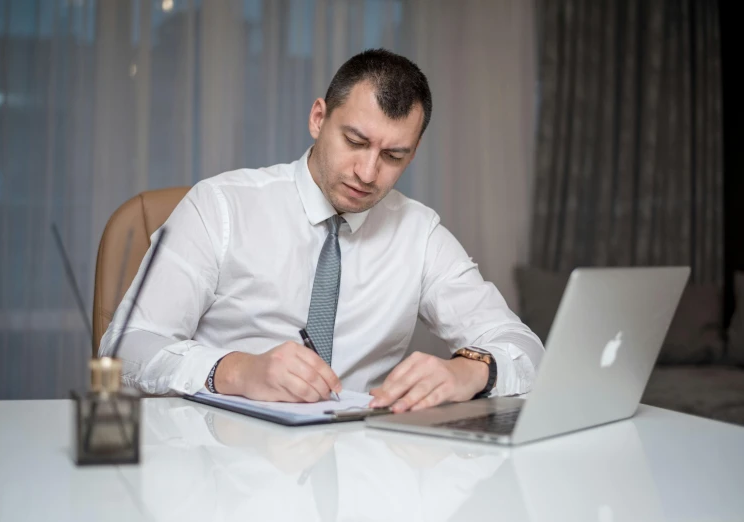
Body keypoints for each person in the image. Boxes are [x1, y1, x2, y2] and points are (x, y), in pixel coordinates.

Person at [99, 49, 544, 413]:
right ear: (318, 119)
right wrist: (236, 371)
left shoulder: (419, 234)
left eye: (393, 156)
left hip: (365, 472)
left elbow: (524, 347)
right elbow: (123, 349)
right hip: (223, 468)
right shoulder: (220, 206)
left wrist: (469, 371)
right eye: (355, 141)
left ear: (414, 152)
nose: (368, 173)